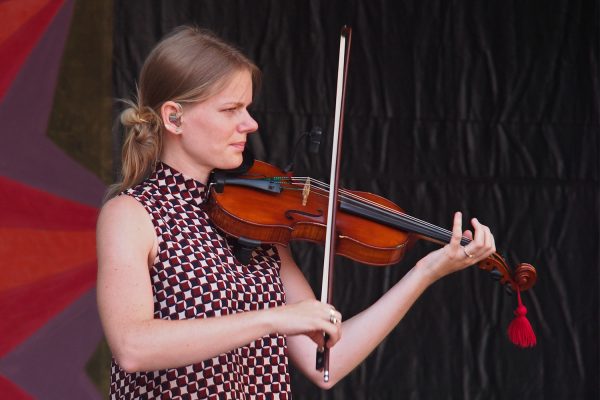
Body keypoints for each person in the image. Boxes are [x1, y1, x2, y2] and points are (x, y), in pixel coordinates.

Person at [96, 25, 496, 399]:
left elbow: (327, 362)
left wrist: (426, 271)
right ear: (173, 117)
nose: (250, 124)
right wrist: (274, 319)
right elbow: (133, 347)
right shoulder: (132, 214)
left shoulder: (255, 223)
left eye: (248, 108)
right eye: (231, 109)